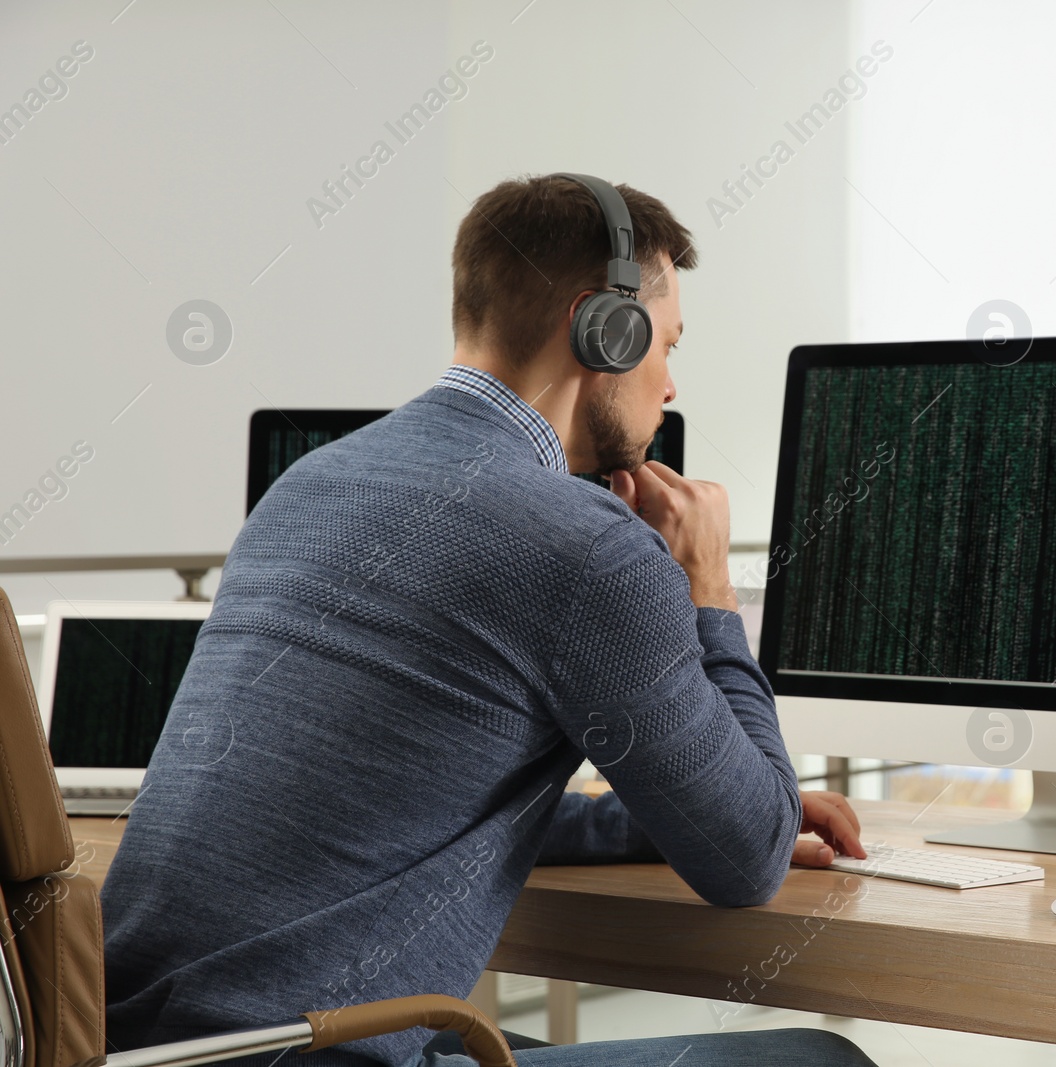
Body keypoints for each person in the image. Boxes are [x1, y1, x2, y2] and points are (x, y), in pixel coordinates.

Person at [98, 173, 879, 1067]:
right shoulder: (586, 546)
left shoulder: (306, 488)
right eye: (665, 342)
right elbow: (747, 860)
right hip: (315, 1054)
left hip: (139, 1049)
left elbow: (392, 799)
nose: (669, 383)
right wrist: (707, 583)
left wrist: (646, 815)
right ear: (604, 329)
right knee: (822, 1060)